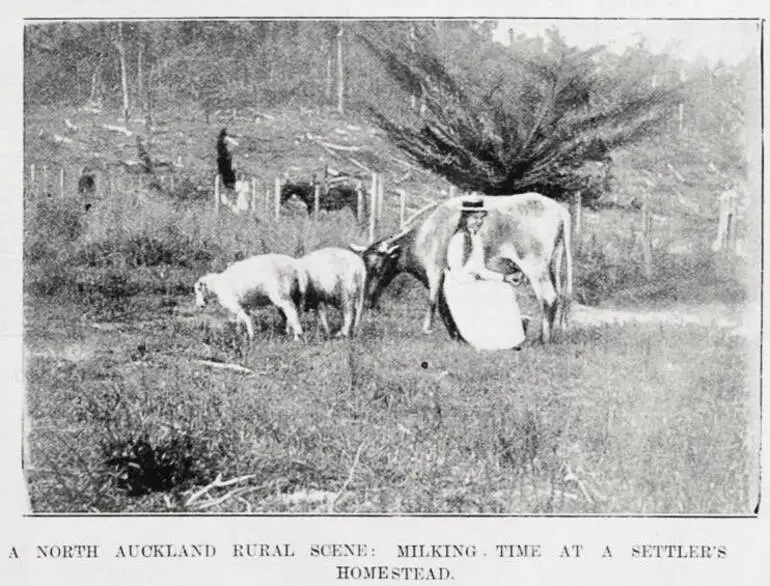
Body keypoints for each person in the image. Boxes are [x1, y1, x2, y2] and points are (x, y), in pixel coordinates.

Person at [442, 196, 527, 350]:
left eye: (481, 218)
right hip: (457, 287)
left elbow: (480, 269)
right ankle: (489, 340)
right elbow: (456, 273)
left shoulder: (476, 238)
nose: (478, 222)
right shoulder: (459, 239)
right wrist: (474, 279)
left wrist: (505, 278)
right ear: (465, 218)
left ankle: (507, 339)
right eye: (474, 218)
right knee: (490, 294)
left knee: (504, 290)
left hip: (471, 282)